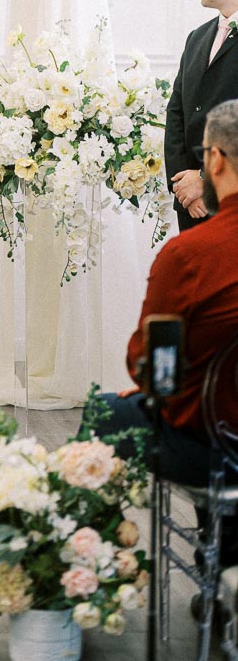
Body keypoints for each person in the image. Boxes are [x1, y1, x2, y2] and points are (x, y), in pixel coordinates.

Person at [91, 98, 238, 507]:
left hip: (217, 449)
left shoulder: (189, 255)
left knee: (102, 412)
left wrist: (145, 390)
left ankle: (107, 560)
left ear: (215, 160)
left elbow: (152, 367)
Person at [165, 0, 238, 232]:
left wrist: (205, 182)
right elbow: (177, 113)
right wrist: (184, 184)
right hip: (191, 207)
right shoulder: (196, 38)